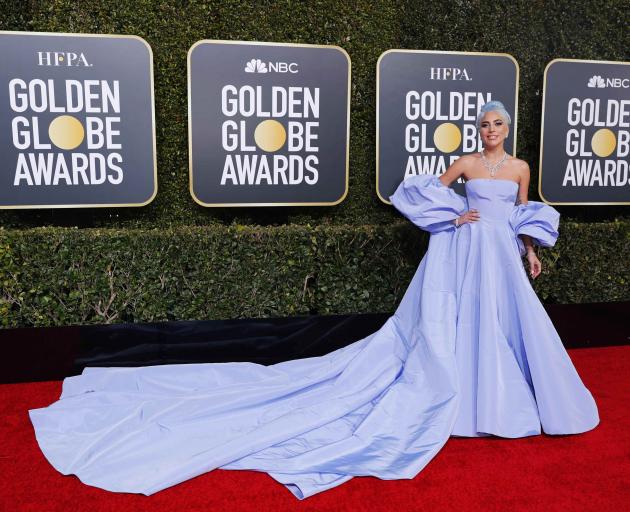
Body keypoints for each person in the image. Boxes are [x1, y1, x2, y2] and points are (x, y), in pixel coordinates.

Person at [28, 100, 599, 500]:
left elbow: (527, 213)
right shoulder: (468, 164)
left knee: (504, 323)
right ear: (478, 131)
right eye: (484, 124)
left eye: (498, 123)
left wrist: (528, 250)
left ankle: (498, 398)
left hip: (501, 254)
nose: (491, 130)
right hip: (469, 249)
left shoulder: (522, 169)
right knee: (460, 322)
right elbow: (424, 189)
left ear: (509, 127)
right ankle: (464, 393)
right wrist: (457, 213)